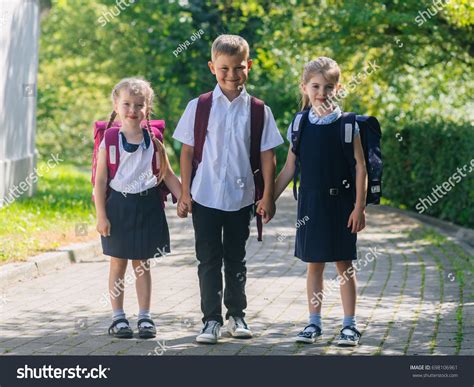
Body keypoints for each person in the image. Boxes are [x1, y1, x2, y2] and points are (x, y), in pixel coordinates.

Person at [173, 35, 284, 344]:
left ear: (248, 66)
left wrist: (267, 196)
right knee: (208, 259)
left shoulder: (260, 110)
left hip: (241, 197)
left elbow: (268, 155)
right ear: (212, 67)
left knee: (235, 258)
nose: (232, 75)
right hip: (205, 195)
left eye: (239, 68)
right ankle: (210, 321)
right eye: (224, 68)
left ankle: (236, 315)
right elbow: (186, 151)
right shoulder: (200, 106)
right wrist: (184, 193)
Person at [274, 57, 367, 346]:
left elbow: (361, 167)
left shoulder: (348, 125)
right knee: (314, 264)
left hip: (341, 206)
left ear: (337, 88)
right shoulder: (299, 124)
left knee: (344, 265)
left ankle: (349, 325)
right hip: (310, 207)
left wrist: (359, 207)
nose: (322, 92)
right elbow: (290, 167)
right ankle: (313, 323)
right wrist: (267, 199)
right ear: (304, 87)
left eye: (328, 87)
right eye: (315, 86)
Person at [95, 77, 181, 339]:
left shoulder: (153, 139)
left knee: (142, 264)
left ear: (148, 107)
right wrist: (101, 215)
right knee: (118, 264)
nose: (133, 110)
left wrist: (184, 199)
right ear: (116, 105)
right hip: (118, 206)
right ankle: (118, 318)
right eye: (127, 104)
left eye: (139, 105)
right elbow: (99, 181)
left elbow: (167, 173)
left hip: (147, 205)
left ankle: (145, 317)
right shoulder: (110, 139)